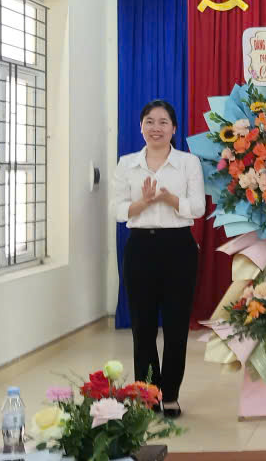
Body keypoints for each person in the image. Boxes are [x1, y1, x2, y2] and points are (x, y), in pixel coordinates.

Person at [111, 99, 205, 418]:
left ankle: (171, 395)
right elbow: (118, 209)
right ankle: (148, 393)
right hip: (140, 248)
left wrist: (170, 199)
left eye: (163, 122)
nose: (156, 128)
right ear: (140, 127)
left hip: (178, 247)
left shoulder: (188, 163)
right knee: (143, 327)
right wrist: (144, 202)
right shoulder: (127, 164)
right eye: (149, 121)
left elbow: (198, 207)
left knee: (176, 327)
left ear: (174, 128)